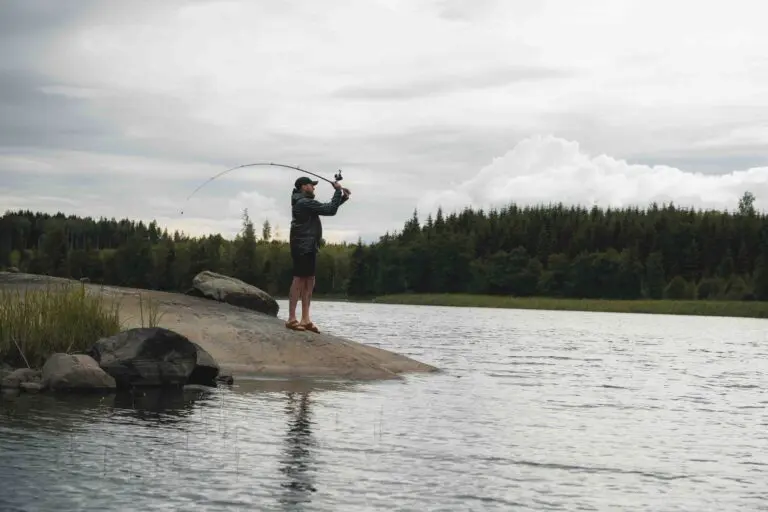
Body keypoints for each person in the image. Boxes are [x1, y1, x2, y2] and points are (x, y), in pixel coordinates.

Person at [286, 175, 350, 333]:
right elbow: (329, 210)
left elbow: (326, 208)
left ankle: (305, 319)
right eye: (311, 185)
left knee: (310, 280)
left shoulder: (304, 202)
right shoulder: (303, 202)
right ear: (303, 187)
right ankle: (292, 319)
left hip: (309, 246)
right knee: (299, 280)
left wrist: (342, 198)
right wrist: (337, 191)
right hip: (302, 246)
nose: (314, 188)